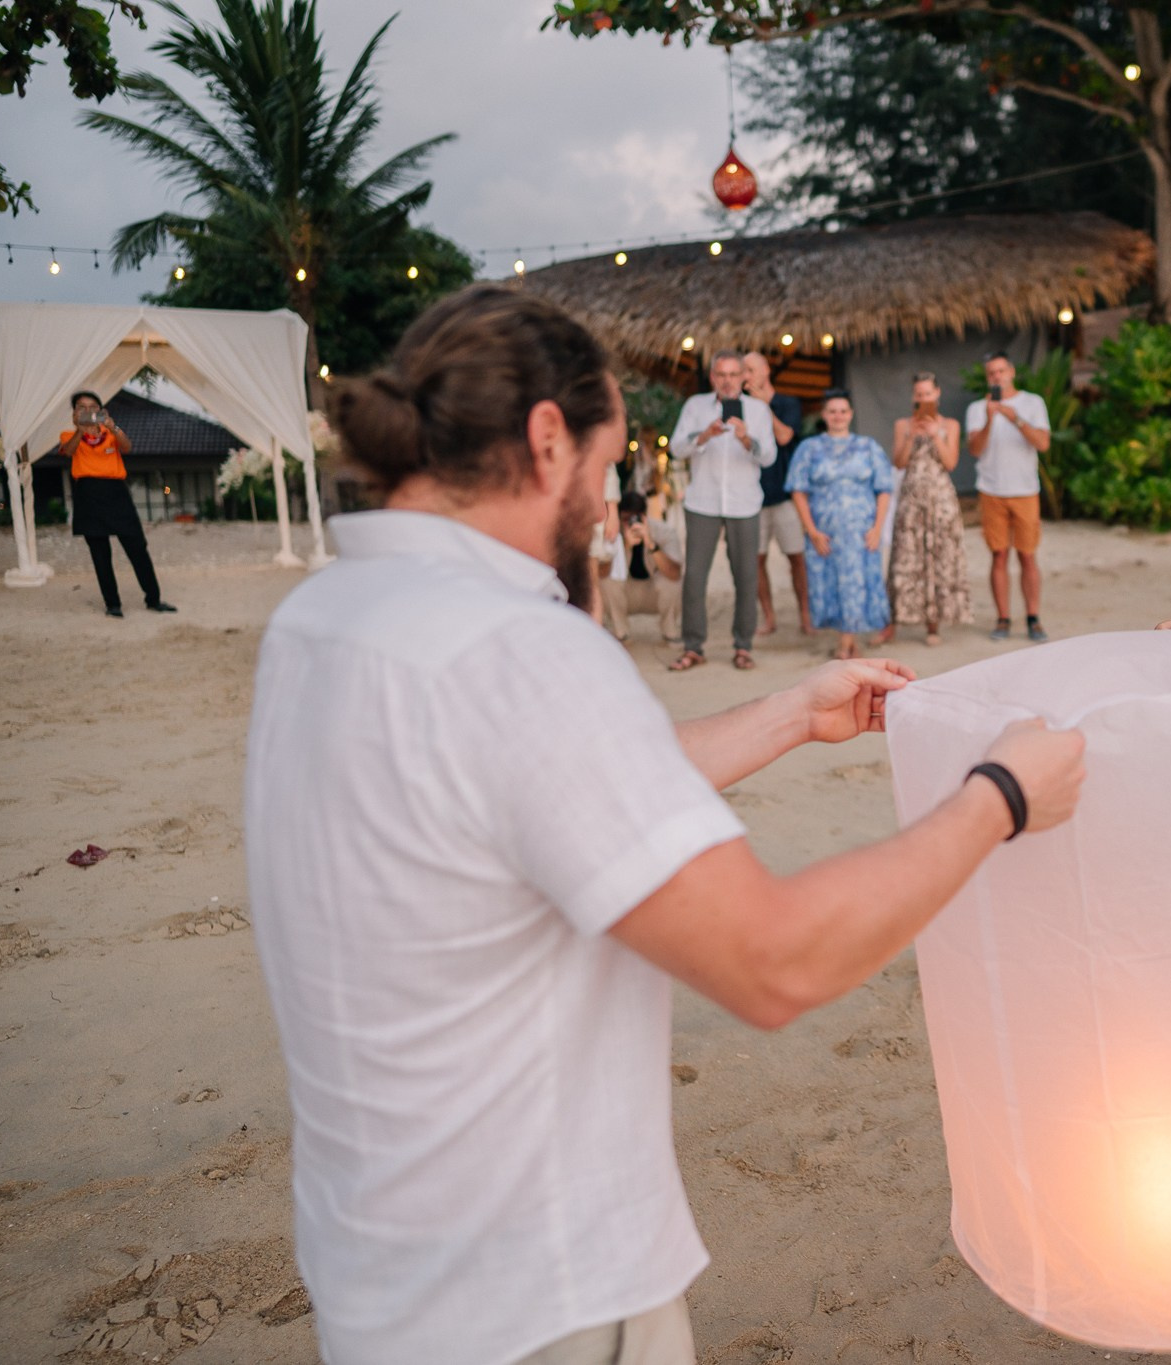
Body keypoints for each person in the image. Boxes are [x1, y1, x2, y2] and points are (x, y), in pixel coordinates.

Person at [249, 284, 1086, 1365]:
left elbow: (543, 799)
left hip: (379, 1269)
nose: (604, 509)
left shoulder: (326, 615)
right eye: (601, 472)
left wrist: (788, 713)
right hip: (538, 1293)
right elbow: (772, 961)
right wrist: (999, 798)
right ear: (546, 438)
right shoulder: (518, 647)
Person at [669, 350, 775, 671]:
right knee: (695, 578)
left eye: (733, 374)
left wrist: (746, 439)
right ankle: (693, 646)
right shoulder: (695, 406)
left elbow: (768, 456)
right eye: (721, 374)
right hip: (702, 501)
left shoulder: (758, 411)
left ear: (744, 376)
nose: (727, 381)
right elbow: (676, 449)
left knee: (746, 577)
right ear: (712, 377)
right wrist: (704, 435)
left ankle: (743, 646)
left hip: (744, 504)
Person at [786, 390, 894, 661]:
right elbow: (798, 490)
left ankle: (846, 645)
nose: (838, 416)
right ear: (824, 415)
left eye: (843, 411)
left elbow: (884, 489)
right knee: (832, 584)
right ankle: (846, 640)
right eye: (832, 411)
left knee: (857, 584)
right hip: (825, 532)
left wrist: (878, 527)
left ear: (851, 414)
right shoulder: (809, 449)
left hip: (861, 531)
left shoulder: (868, 446)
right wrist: (811, 530)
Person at [59, 391, 174, 618]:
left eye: (93, 406)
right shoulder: (67, 435)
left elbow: (127, 447)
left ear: (101, 411)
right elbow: (69, 451)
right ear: (74, 413)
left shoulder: (110, 433)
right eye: (81, 407)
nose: (88, 411)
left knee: (137, 547)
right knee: (100, 554)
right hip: (88, 494)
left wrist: (113, 427)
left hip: (116, 493)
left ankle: (154, 599)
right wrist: (80, 431)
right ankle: (113, 604)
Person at [966, 351, 1052, 642]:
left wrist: (1015, 419)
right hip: (991, 490)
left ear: (1011, 371)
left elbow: (1042, 443)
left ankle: (1033, 617)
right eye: (991, 373)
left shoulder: (1032, 403)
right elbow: (975, 450)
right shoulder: (978, 408)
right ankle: (1003, 618)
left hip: (1025, 490)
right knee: (998, 555)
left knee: (1027, 555)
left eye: (1001, 371)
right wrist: (991, 420)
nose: (997, 377)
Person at [883, 371, 974, 646]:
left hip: (940, 500)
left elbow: (951, 463)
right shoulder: (903, 424)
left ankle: (933, 624)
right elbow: (898, 462)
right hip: (911, 500)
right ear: (914, 396)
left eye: (927, 393)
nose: (923, 398)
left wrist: (936, 435)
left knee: (939, 557)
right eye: (918, 394)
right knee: (905, 557)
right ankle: (894, 621)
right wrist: (911, 436)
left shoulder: (950, 425)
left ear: (937, 394)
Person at [744, 351, 810, 638]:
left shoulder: (787, 403)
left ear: (765, 370)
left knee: (797, 557)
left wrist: (763, 408)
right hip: (753, 497)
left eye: (750, 369)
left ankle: (805, 615)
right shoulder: (742, 408)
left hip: (784, 494)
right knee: (756, 560)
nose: (746, 376)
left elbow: (784, 436)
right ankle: (769, 618)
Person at [598, 488, 685, 646]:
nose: (632, 523)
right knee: (606, 582)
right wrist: (624, 547)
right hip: (626, 592)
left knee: (673, 583)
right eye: (626, 518)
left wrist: (651, 544)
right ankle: (621, 634)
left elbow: (675, 573)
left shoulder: (664, 532)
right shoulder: (612, 534)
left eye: (636, 517)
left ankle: (670, 631)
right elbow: (602, 573)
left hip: (653, 592)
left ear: (645, 515)